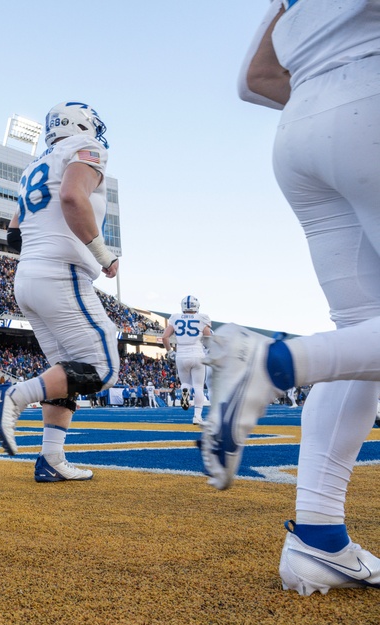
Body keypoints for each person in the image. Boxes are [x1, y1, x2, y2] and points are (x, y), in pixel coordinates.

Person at [202, 0, 380, 595]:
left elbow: (255, 79)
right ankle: (272, 361)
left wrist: (327, 102)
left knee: (360, 331)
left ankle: (318, 538)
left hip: (298, 127)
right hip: (366, 96)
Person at [0, 101, 119, 483]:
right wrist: (102, 254)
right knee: (102, 368)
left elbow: (13, 232)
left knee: (69, 372)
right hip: (61, 275)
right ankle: (13, 395)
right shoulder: (83, 149)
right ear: (83, 125)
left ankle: (51, 459)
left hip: (29, 274)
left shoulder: (34, 167)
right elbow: (73, 197)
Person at [162, 296, 212, 425]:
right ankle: (197, 416)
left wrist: (170, 352)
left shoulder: (176, 317)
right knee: (199, 386)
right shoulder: (202, 318)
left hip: (181, 354)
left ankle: (185, 390)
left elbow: (165, 337)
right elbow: (208, 337)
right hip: (197, 354)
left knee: (185, 383)